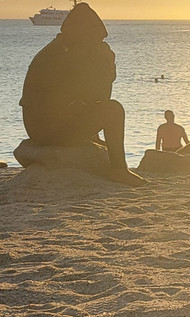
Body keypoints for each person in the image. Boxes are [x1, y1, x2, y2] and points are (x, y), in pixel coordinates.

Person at [19, 2, 144, 186]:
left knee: (103, 108)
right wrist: (106, 68)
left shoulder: (55, 49)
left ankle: (95, 139)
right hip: (51, 130)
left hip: (36, 128)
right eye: (96, 39)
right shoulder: (72, 55)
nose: (99, 43)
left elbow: (81, 98)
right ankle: (118, 169)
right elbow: (97, 95)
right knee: (114, 110)